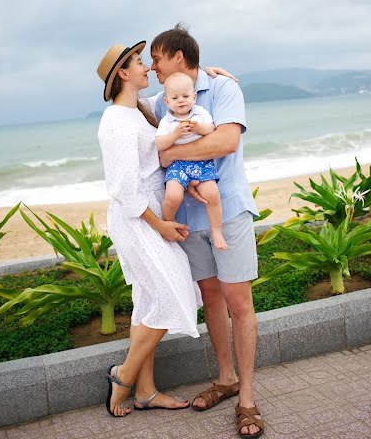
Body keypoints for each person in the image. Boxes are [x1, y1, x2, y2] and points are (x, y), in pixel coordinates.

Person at [97, 42, 234, 418]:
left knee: (148, 300)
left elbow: (177, 92)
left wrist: (208, 73)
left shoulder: (138, 112)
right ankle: (123, 375)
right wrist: (161, 226)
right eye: (141, 62)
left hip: (153, 215)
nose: (147, 67)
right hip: (138, 220)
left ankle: (144, 391)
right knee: (176, 293)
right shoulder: (115, 121)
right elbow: (123, 187)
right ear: (124, 74)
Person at [151, 24, 265, 438]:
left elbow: (225, 143)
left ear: (178, 56)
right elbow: (127, 105)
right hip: (188, 220)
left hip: (227, 211)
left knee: (239, 302)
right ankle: (226, 379)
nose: (152, 67)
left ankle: (248, 399)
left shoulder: (222, 89)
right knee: (211, 300)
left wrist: (169, 154)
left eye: (157, 59)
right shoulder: (161, 98)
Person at [155, 72, 227, 250]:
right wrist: (175, 134)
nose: (181, 101)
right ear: (167, 102)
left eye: (186, 96)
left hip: (201, 162)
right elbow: (159, 143)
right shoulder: (167, 121)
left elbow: (211, 129)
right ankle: (170, 223)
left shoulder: (200, 113)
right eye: (175, 97)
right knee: (173, 196)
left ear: (194, 97)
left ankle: (216, 231)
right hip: (177, 164)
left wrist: (199, 128)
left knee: (212, 193)